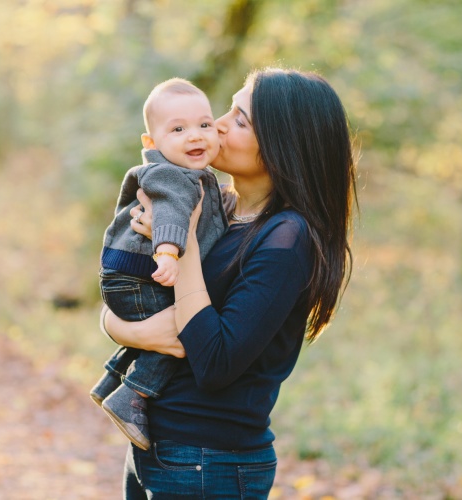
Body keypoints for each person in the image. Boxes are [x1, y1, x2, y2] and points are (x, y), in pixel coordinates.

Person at [100, 67, 358, 499]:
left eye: (239, 120)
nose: (216, 125)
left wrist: (185, 249)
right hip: (158, 449)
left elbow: (216, 362)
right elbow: (133, 294)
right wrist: (125, 329)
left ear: (283, 145)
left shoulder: (287, 239)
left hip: (210, 462)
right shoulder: (217, 210)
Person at [91, 78, 228, 451]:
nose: (195, 136)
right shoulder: (171, 175)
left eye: (204, 124)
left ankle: (110, 380)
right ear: (151, 144)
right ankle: (131, 394)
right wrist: (168, 250)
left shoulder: (198, 176)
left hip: (130, 275)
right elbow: (170, 209)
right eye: (178, 129)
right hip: (142, 275)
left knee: (163, 326)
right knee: (185, 327)